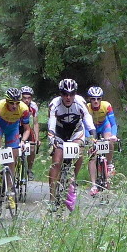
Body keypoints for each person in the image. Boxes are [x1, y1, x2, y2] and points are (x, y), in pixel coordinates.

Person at [47, 79, 96, 209]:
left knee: (79, 151)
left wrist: (93, 134)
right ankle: (52, 197)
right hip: (59, 132)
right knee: (56, 161)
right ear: (60, 94)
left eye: (71, 94)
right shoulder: (54, 104)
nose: (68, 97)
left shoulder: (80, 102)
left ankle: (73, 177)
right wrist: (52, 138)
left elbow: (87, 118)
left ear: (75, 93)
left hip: (76, 131)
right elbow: (51, 123)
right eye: (64, 94)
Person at [0, 88, 32, 210]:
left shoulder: (24, 109)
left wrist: (22, 141)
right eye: (11, 103)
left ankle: (10, 194)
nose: (14, 106)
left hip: (13, 128)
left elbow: (27, 129)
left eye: (17, 103)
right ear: (6, 101)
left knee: (12, 160)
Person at [85, 86, 119, 196]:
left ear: (101, 99)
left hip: (104, 126)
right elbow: (84, 126)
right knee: (92, 155)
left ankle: (109, 164)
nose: (96, 101)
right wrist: (89, 139)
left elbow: (113, 123)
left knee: (109, 141)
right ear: (90, 99)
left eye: (98, 99)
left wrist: (113, 135)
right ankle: (93, 185)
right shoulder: (86, 108)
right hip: (91, 128)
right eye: (93, 99)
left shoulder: (107, 106)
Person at [20, 86, 41, 181]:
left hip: (27, 128)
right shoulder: (18, 104)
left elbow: (35, 123)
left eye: (28, 98)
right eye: (24, 98)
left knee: (32, 148)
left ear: (31, 98)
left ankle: (29, 169)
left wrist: (37, 138)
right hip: (16, 127)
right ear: (21, 97)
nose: (26, 100)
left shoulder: (33, 106)